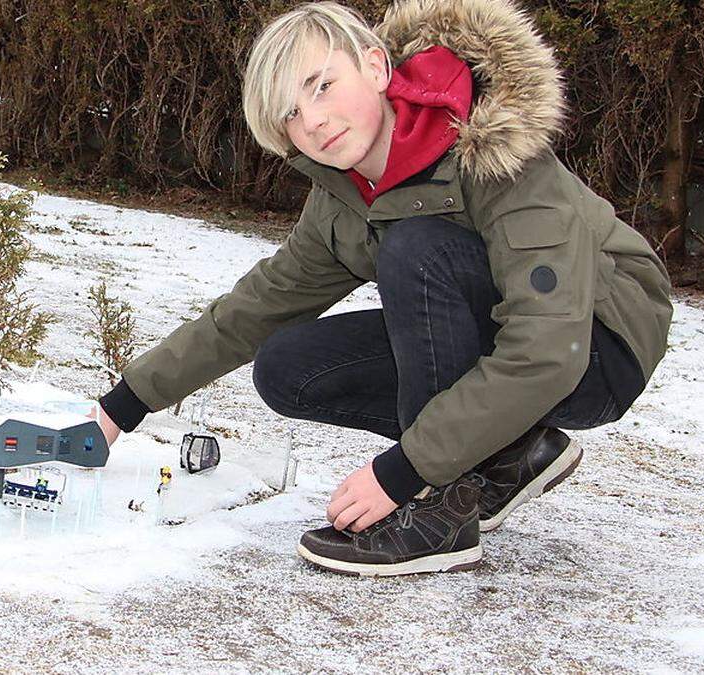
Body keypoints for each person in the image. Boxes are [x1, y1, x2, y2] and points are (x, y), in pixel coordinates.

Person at [92, 0, 673, 576]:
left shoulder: (497, 154)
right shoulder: (344, 198)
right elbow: (257, 307)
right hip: (518, 342)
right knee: (289, 367)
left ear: (374, 66)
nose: (312, 121)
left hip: (598, 343)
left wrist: (404, 472)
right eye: (291, 113)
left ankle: (439, 511)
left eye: (322, 85)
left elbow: (547, 351)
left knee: (418, 249)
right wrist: (124, 405)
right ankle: (509, 451)